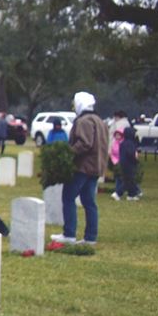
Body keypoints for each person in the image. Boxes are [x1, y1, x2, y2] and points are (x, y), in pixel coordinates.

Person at [53, 91, 110, 246]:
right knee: (89, 202)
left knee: (68, 197)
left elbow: (85, 143)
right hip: (96, 167)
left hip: (82, 167)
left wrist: (67, 153)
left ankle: (69, 234)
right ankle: (90, 237)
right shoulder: (100, 121)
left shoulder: (84, 121)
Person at [115, 123, 141, 201]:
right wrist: (135, 159)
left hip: (124, 163)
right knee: (128, 180)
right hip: (129, 164)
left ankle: (131, 194)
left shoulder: (124, 143)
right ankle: (118, 193)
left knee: (130, 180)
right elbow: (130, 154)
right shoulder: (130, 143)